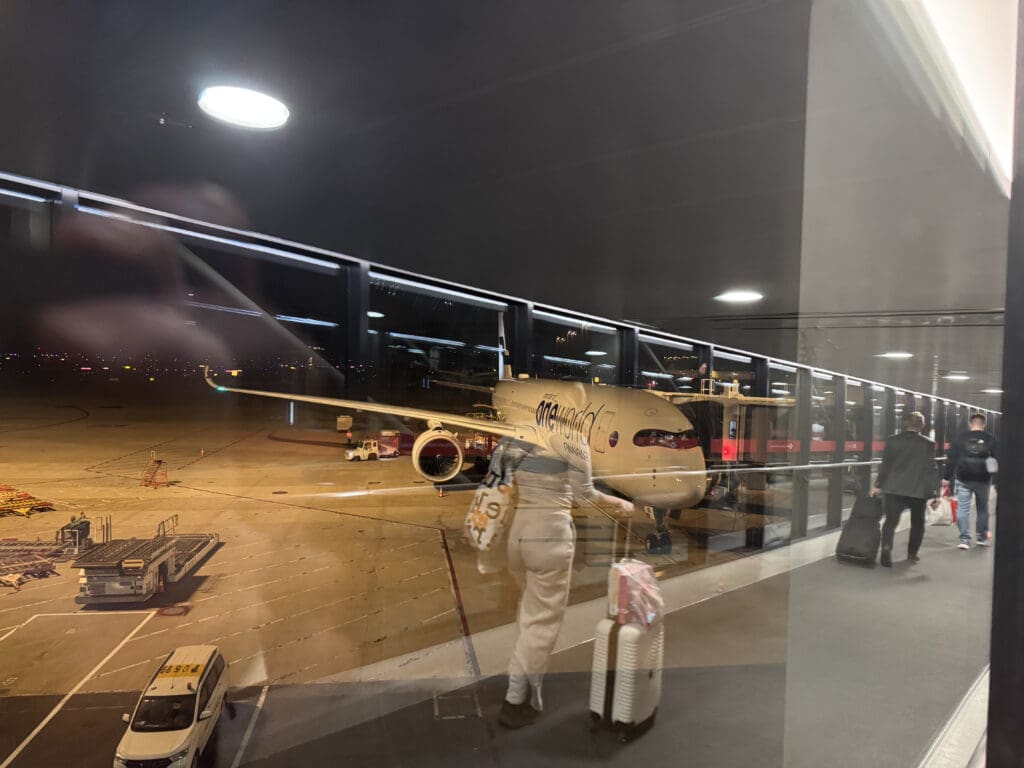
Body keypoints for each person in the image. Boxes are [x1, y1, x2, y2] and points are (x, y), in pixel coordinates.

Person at [487, 436, 633, 729]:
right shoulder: (571, 440)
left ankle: (521, 687)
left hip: (519, 533)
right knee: (541, 623)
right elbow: (584, 495)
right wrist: (619, 501)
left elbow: (495, 482)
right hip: (549, 535)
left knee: (529, 613)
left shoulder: (516, 435)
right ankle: (514, 701)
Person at [872, 411, 937, 567]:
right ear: (922, 425)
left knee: (890, 522)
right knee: (918, 523)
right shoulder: (928, 444)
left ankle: (886, 548)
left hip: (894, 488)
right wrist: (934, 492)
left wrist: (877, 485)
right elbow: (931, 468)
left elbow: (885, 465)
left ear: (905, 424)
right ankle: (912, 553)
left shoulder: (892, 440)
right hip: (918, 490)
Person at [942, 413, 998, 549]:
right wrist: (997, 479)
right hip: (983, 479)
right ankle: (982, 538)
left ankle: (964, 540)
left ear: (970, 424)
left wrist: (946, 477)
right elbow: (997, 460)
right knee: (983, 509)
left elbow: (951, 459)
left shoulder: (960, 438)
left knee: (963, 509)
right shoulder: (991, 439)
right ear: (983, 425)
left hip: (963, 478)